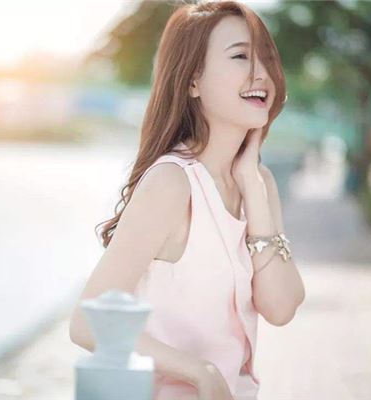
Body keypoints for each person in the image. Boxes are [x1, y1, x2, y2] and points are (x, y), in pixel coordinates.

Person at [69, 1, 306, 399]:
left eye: (267, 57)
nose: (261, 73)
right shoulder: (172, 182)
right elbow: (87, 322)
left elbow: (281, 308)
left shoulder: (259, 181)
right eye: (240, 56)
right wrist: (200, 372)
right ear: (193, 81)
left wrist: (251, 185)